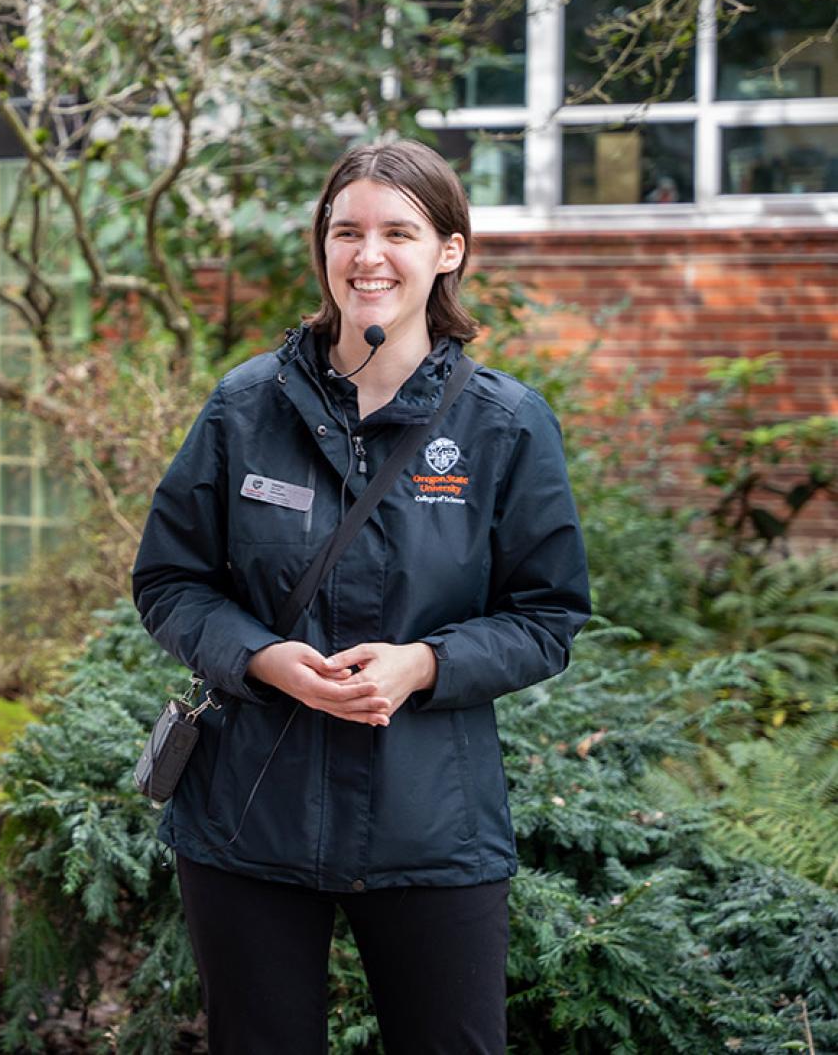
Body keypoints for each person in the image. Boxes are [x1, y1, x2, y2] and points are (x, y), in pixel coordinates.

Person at [132, 139, 590, 1053]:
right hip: (248, 816)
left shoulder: (503, 424)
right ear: (323, 246)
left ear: (449, 250)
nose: (368, 256)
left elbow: (548, 616)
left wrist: (426, 663)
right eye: (347, 231)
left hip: (434, 825)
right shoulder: (243, 408)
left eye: (399, 232)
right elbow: (171, 580)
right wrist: (260, 658)